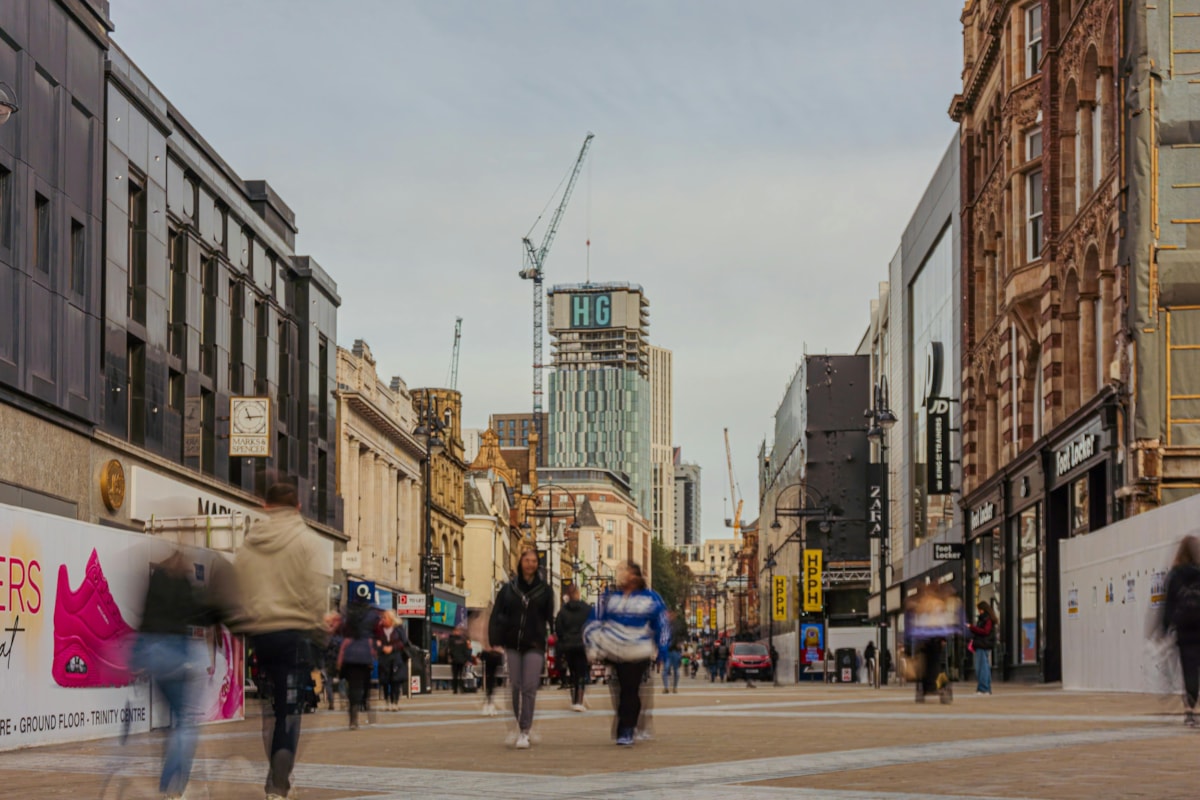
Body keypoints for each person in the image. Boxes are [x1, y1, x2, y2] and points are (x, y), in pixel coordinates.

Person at [226, 480, 327, 800]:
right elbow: (315, 593)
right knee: (290, 708)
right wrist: (317, 626)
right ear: (297, 507)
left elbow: (239, 588)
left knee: (270, 708)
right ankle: (278, 782)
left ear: (266, 507)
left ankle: (275, 769)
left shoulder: (250, 542)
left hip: (262, 635)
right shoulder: (307, 542)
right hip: (295, 634)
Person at [131, 549, 220, 800]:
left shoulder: (156, 578)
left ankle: (169, 779)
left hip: (152, 652)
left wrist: (138, 655)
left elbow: (145, 616)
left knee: (172, 720)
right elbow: (202, 617)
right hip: (175, 653)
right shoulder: (184, 583)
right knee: (185, 723)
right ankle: (174, 787)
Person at [584, 560, 670, 746]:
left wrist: (662, 652)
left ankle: (626, 729)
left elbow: (662, 625)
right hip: (614, 650)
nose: (621, 575)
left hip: (637, 651)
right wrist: (592, 645)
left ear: (635, 576)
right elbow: (594, 620)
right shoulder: (609, 597)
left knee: (630, 690)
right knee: (619, 689)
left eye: (625, 572)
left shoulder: (650, 598)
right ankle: (627, 723)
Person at [489, 548, 553, 749]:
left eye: (534, 560)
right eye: (527, 560)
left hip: (534, 644)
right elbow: (497, 614)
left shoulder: (545, 590)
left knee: (529, 687)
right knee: (515, 686)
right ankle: (518, 725)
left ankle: (525, 730)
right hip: (513, 644)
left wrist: (553, 637)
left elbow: (550, 617)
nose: (530, 564)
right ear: (520, 562)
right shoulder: (508, 589)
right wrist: (494, 638)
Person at [1160, 535, 1200, 726]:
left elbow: (1168, 604)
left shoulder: (1175, 575)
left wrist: (1164, 628)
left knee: (1189, 669)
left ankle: (1189, 711)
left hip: (1184, 631)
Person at [338, 589, 377, 729]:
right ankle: (364, 706)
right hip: (365, 653)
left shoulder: (347, 614)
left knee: (351, 684)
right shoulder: (372, 615)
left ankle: (353, 716)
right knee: (362, 684)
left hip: (349, 653)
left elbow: (341, 631)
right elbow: (376, 633)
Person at [555, 584, 593, 712]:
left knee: (573, 671)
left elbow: (558, 629)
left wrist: (563, 641)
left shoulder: (563, 611)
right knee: (582, 672)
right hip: (583, 645)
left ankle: (575, 698)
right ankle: (579, 700)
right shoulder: (587, 609)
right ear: (577, 594)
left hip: (568, 645)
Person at [376, 610, 410, 711]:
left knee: (396, 681)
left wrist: (392, 648)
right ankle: (387, 702)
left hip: (396, 658)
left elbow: (404, 642)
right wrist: (381, 647)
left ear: (391, 619)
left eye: (385, 617)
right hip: (384, 658)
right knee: (385, 681)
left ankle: (395, 702)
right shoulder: (379, 630)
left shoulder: (398, 629)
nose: (383, 620)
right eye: (382, 618)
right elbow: (375, 642)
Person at [967, 602, 998, 696]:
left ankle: (983, 688)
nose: (979, 611)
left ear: (983, 609)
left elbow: (985, 631)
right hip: (984, 644)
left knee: (981, 667)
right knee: (984, 667)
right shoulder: (988, 619)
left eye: (979, 609)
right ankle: (986, 688)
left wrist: (972, 627)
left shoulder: (986, 619)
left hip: (982, 644)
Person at [663, 610, 687, 693]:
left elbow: (683, 635)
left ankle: (675, 687)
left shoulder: (678, 626)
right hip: (667, 650)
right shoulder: (664, 625)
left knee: (676, 670)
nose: (669, 616)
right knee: (666, 669)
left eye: (671, 614)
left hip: (675, 650)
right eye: (668, 614)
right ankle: (666, 687)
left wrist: (680, 642)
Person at [447, 623, 472, 694]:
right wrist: (467, 660)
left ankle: (455, 689)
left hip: (456, 661)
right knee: (460, 675)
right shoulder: (463, 640)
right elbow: (466, 650)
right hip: (461, 660)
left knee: (456, 675)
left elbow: (450, 650)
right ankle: (460, 688)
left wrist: (450, 658)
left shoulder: (451, 640)